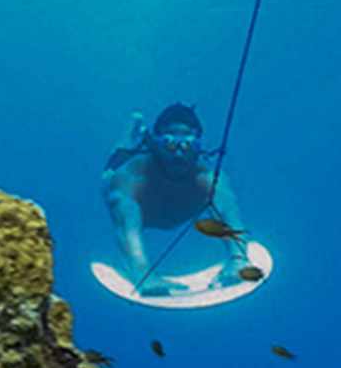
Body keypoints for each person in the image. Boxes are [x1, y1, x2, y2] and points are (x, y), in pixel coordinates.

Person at [101, 103, 249, 296]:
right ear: (156, 143)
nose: (178, 154)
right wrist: (143, 273)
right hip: (124, 175)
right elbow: (125, 228)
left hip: (170, 203)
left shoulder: (209, 179)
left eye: (187, 144)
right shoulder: (128, 177)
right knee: (123, 149)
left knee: (220, 192)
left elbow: (231, 214)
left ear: (198, 145)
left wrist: (238, 259)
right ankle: (135, 128)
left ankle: (142, 129)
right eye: (169, 142)